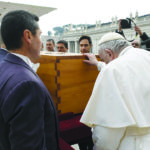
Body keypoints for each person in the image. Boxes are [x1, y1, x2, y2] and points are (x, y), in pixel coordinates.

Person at [0, 10, 59, 150]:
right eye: (39, 35)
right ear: (28, 36)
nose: (41, 43)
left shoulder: (4, 66)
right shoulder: (27, 85)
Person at [81, 32, 150, 150]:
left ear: (109, 53)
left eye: (104, 59)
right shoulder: (146, 55)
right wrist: (99, 64)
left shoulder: (112, 69)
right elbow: (128, 74)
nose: (105, 64)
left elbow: (107, 134)